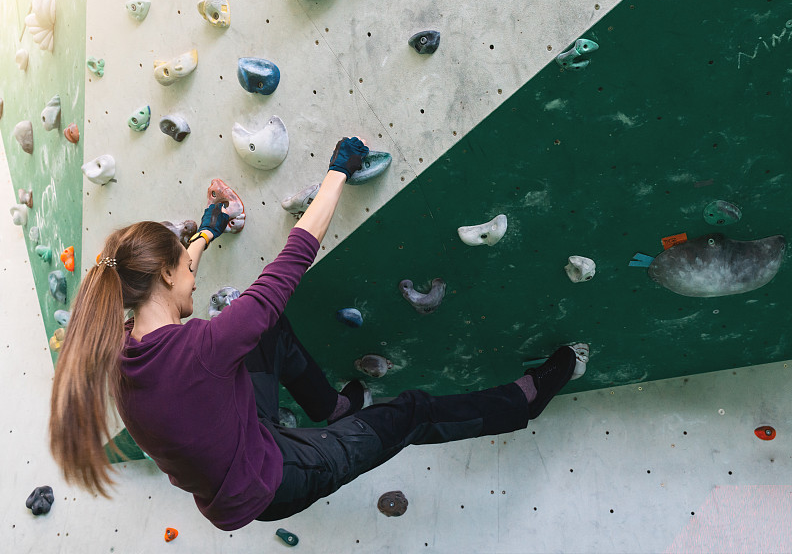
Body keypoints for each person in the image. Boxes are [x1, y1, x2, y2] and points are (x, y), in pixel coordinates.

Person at [49, 137, 586, 530]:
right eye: (186, 269)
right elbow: (291, 261)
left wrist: (206, 232)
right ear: (164, 277)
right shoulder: (203, 349)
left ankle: (331, 408)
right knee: (413, 410)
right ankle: (528, 398)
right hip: (275, 477)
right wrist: (337, 173)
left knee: (262, 333)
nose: (194, 276)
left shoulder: (119, 346)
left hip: (231, 445)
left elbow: (173, 282)